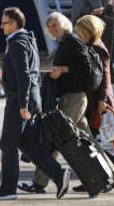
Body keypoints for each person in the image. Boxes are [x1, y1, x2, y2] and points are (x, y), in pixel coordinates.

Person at [0, 7, 70, 200]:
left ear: (15, 24)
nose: (1, 27)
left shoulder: (17, 44)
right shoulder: (26, 40)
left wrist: (23, 105)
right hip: (31, 99)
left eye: (5, 23)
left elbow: (24, 75)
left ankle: (8, 189)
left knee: (7, 144)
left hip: (20, 100)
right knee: (28, 144)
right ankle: (59, 174)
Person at [19, 12, 90, 194]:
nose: (52, 30)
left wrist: (63, 69)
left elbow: (86, 68)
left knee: (54, 138)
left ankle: (39, 183)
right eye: (49, 27)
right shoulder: (64, 43)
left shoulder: (72, 42)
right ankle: (105, 174)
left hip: (73, 98)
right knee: (86, 141)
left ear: (64, 25)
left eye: (55, 26)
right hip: (71, 97)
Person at [75, 14, 114, 192]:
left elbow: (105, 76)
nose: (78, 34)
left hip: (96, 100)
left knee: (88, 142)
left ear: (88, 30)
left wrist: (103, 100)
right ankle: (109, 171)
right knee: (89, 141)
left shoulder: (97, 48)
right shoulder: (93, 46)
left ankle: (108, 172)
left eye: (80, 31)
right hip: (93, 99)